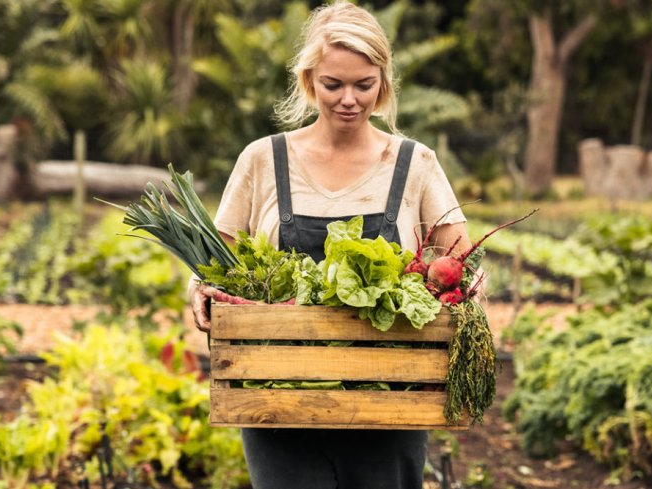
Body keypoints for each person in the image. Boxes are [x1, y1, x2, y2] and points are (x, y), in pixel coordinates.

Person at [187, 2, 471, 487]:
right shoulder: (263, 159)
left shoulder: (413, 163)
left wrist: (466, 289)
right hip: (280, 400)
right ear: (309, 81)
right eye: (332, 84)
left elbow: (463, 259)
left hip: (390, 402)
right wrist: (201, 289)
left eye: (363, 84)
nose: (348, 99)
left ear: (383, 83)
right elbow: (216, 265)